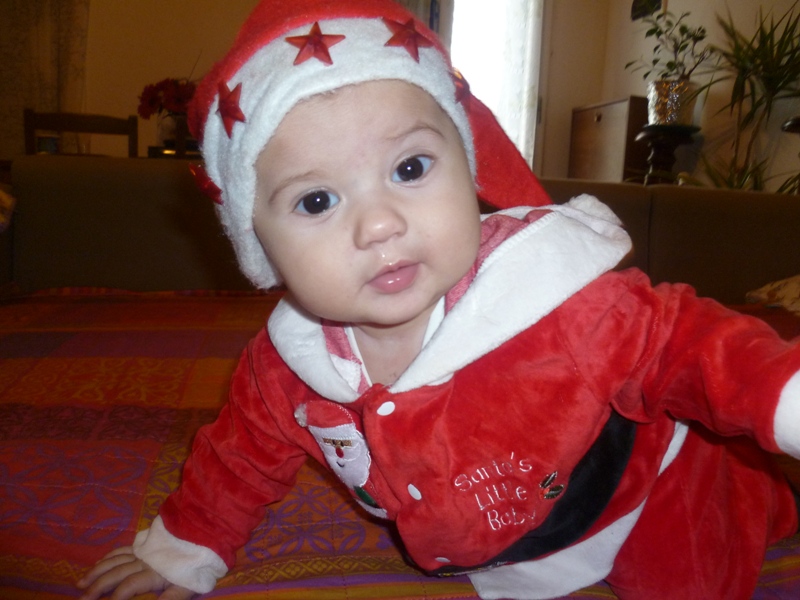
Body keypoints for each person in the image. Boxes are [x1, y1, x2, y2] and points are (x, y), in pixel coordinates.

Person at [78, 0, 800, 599]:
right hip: (506, 548)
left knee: (686, 576)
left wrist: (783, 394)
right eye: (317, 200)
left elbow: (688, 342)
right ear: (260, 248)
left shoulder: (556, 300)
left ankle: (759, 494)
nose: (380, 224)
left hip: (644, 495)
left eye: (410, 168)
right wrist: (185, 546)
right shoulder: (285, 369)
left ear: (467, 166)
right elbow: (238, 459)